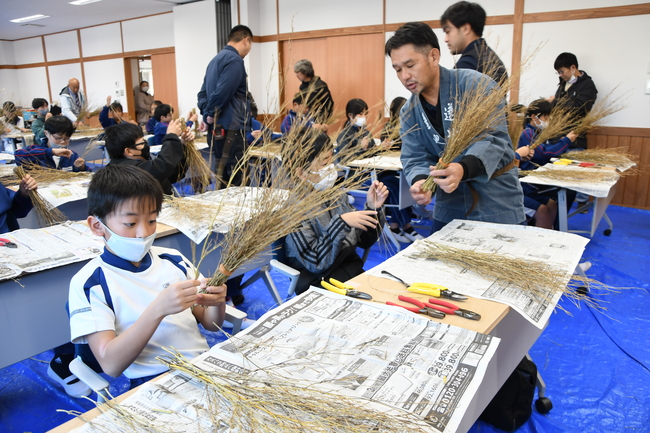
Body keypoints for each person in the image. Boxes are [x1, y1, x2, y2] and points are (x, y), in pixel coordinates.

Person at [67, 164, 227, 388]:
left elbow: (211, 325)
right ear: (97, 225)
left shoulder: (173, 259)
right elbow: (111, 365)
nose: (144, 232)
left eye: (151, 220)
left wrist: (217, 302)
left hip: (201, 365)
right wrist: (158, 309)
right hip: (153, 381)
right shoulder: (91, 283)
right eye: (130, 223)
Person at [386, 22, 524, 233]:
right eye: (398, 69)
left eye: (410, 65)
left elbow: (493, 139)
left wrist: (463, 168)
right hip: (449, 204)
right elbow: (414, 157)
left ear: (433, 56)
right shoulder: (409, 111)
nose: (404, 76)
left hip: (495, 200)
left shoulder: (476, 86)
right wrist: (421, 182)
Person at [284, 131, 388, 295]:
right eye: (324, 162)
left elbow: (364, 240)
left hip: (350, 275)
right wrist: (341, 223)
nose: (331, 167)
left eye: (331, 159)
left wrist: (372, 207)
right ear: (301, 173)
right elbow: (316, 262)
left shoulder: (336, 196)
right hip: (320, 286)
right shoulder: (294, 210)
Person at [197, 25, 253, 186]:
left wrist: (206, 114)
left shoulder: (214, 61)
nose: (248, 51)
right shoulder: (235, 60)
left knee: (222, 177)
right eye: (249, 47)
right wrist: (208, 116)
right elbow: (222, 94)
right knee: (238, 179)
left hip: (217, 131)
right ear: (246, 40)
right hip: (232, 130)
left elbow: (202, 95)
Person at [516, 99, 578, 229]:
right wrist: (566, 141)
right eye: (546, 117)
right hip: (527, 180)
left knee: (553, 204)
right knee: (546, 207)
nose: (548, 121)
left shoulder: (538, 133)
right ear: (534, 117)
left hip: (535, 178)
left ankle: (554, 230)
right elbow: (543, 154)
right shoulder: (528, 133)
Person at [378, 96, 424, 242]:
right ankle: (403, 225)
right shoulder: (389, 129)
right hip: (386, 172)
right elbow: (383, 152)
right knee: (397, 187)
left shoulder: (410, 127)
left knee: (408, 182)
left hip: (401, 170)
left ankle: (399, 224)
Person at [105, 121, 190, 195]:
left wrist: (182, 144)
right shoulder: (124, 172)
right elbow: (162, 167)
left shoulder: (136, 163)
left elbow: (168, 174)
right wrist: (172, 137)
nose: (146, 145)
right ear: (129, 151)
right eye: (142, 143)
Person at [440, 1, 508, 85]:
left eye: (448, 31)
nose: (445, 39)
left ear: (466, 29)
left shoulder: (468, 64)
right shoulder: (492, 58)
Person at [549, 52, 598, 150]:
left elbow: (580, 109)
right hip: (556, 139)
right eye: (558, 72)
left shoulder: (588, 85)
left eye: (562, 71)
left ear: (573, 67)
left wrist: (556, 100)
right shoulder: (563, 83)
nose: (560, 75)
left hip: (574, 141)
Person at [14, 115, 88, 172]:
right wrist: (51, 152)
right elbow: (18, 155)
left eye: (66, 138)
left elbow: (87, 172)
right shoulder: (36, 150)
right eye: (58, 138)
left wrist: (80, 167)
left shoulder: (71, 155)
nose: (62, 142)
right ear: (46, 134)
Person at [294, 59, 334, 124]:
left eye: (297, 72)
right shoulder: (302, 86)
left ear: (305, 72)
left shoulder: (320, 85)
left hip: (318, 121)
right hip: (305, 121)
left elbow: (329, 104)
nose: (296, 75)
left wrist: (322, 121)